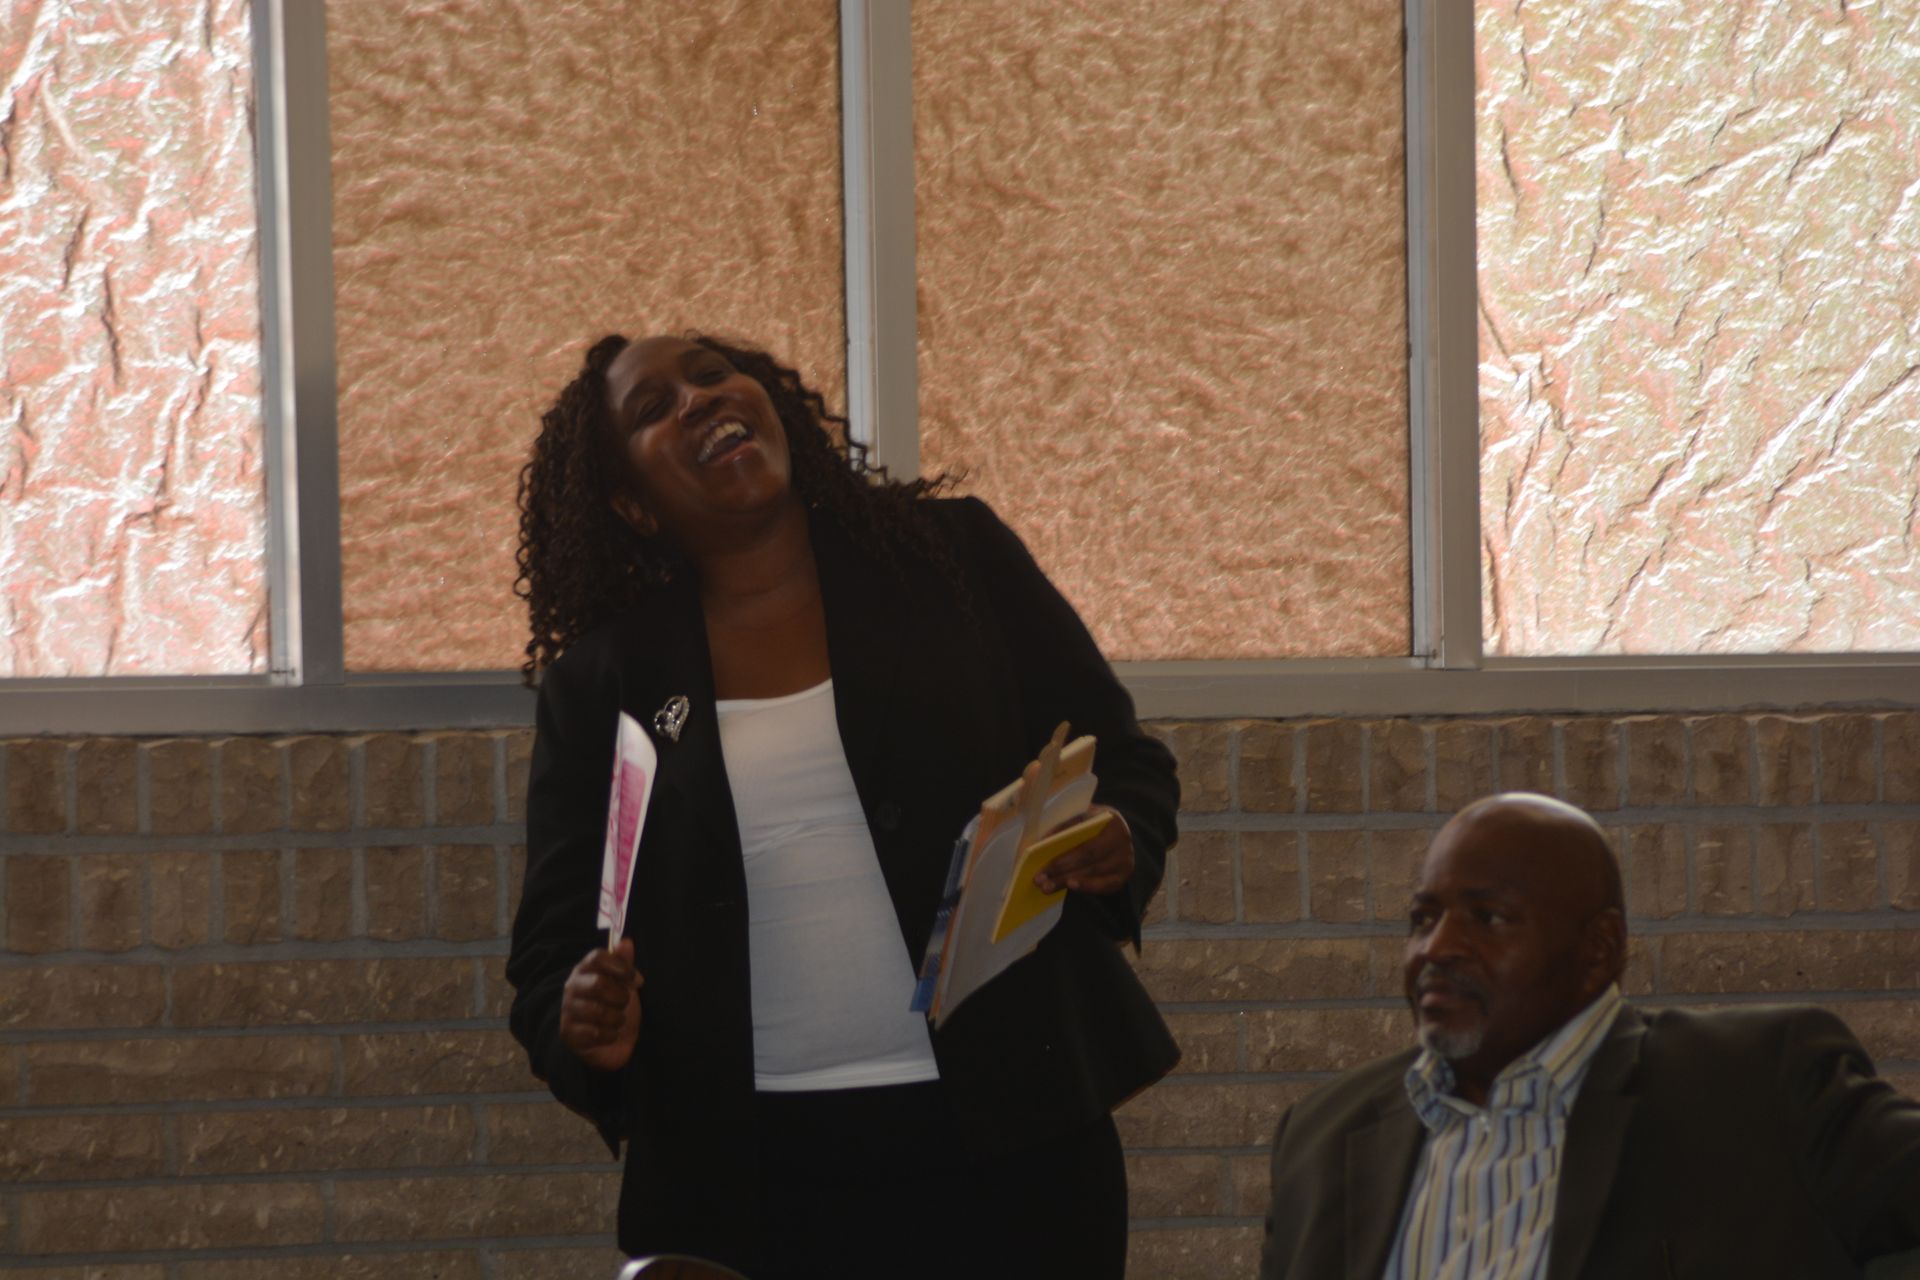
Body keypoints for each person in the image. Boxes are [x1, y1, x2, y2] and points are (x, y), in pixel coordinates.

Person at [505, 332, 1180, 1279]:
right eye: (654, 408)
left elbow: (1122, 762)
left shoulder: (951, 558)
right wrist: (580, 1024)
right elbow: (551, 951)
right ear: (632, 505)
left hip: (1014, 1140)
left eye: (712, 374)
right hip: (750, 1178)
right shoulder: (605, 682)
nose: (699, 398)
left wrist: (1119, 837)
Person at [1260, 792, 1920, 1280]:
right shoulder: (1322, 1135)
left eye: (1489, 918)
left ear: (1598, 951)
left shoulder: (1755, 1083)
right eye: (1423, 919)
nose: (1438, 948)